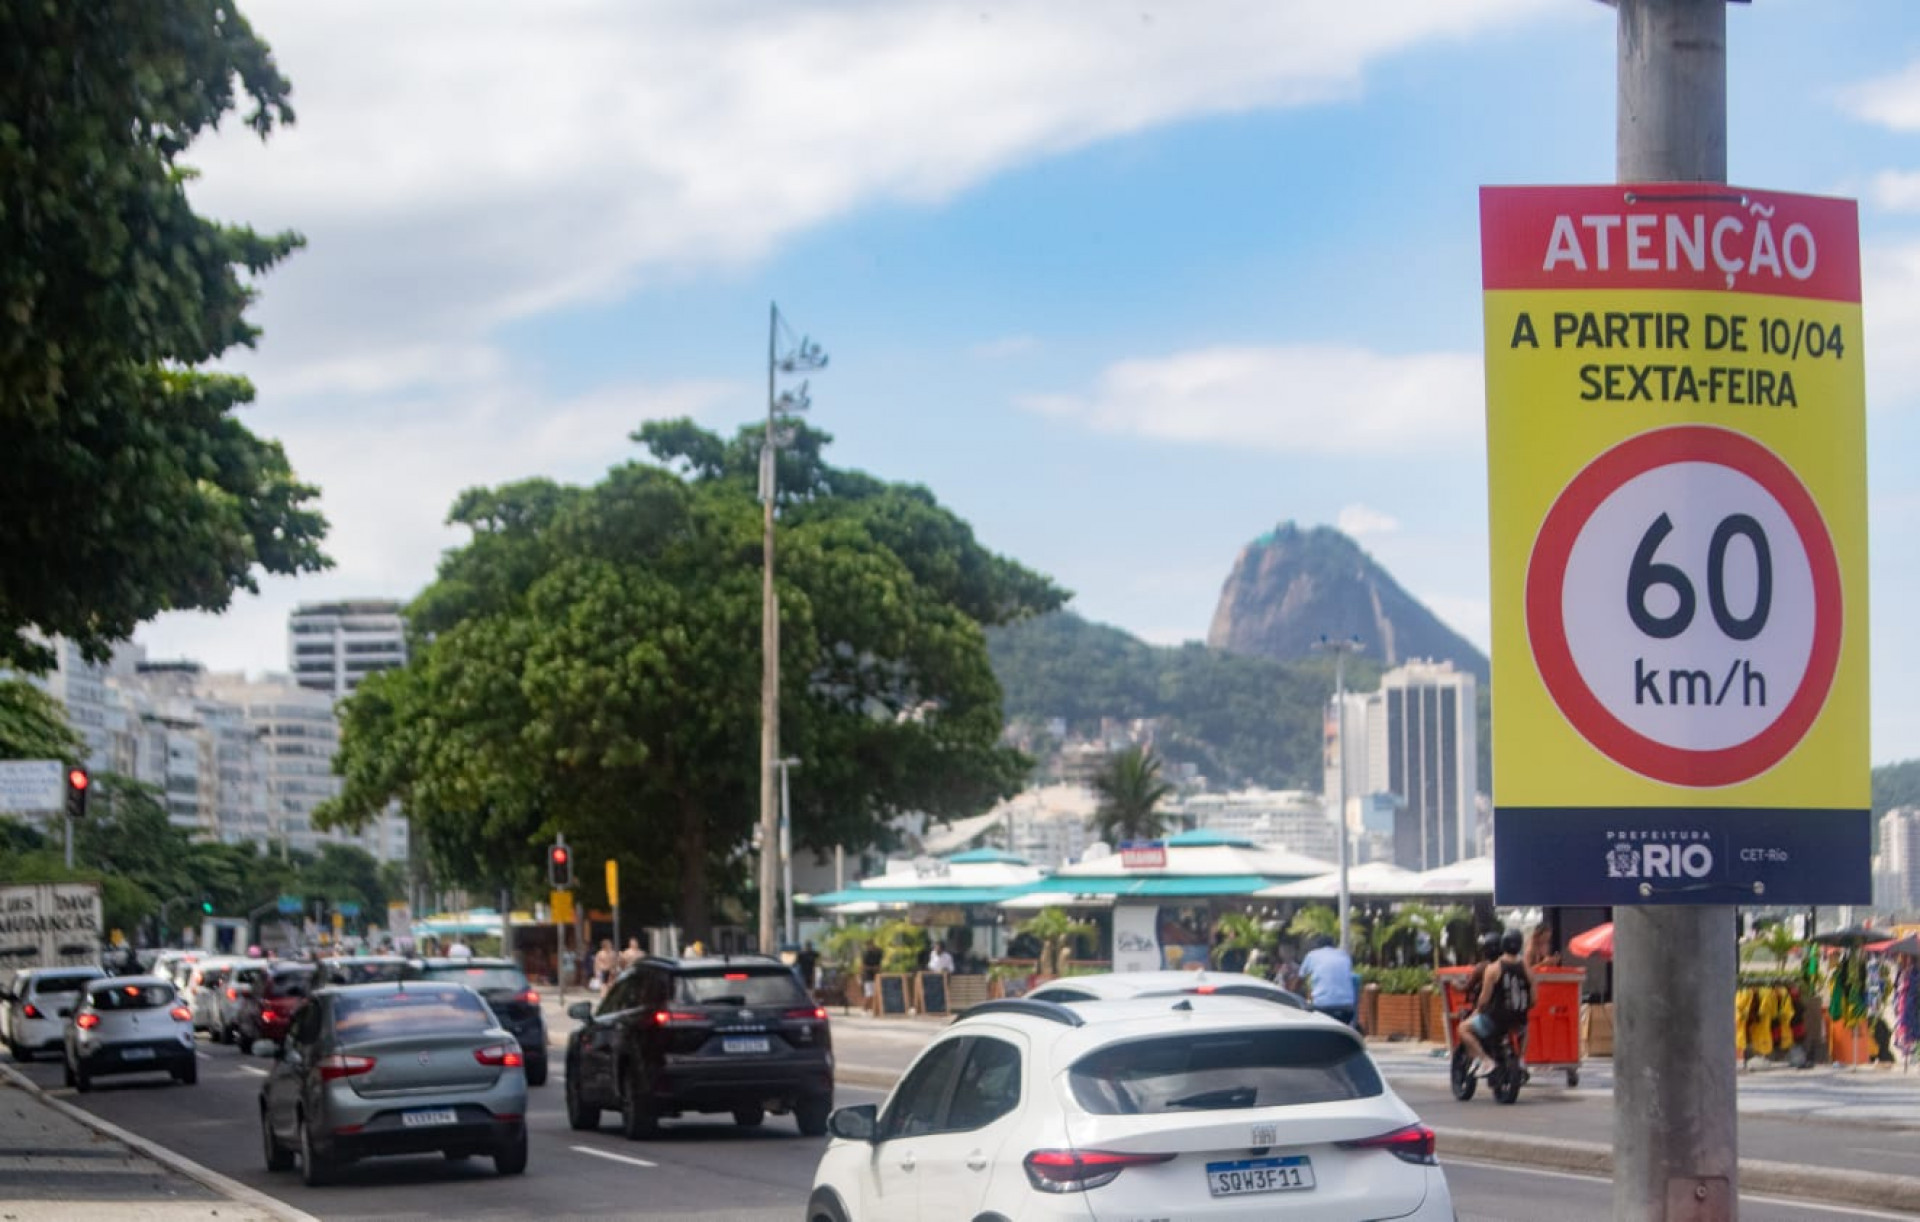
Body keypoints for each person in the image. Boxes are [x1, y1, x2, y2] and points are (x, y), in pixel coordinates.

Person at [1459, 929, 1535, 1074]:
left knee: (1463, 1029)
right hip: (1518, 1021)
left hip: (1495, 1021)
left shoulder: (1493, 969)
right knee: (1526, 1027)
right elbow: (1534, 1000)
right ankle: (1521, 1060)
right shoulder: (1527, 969)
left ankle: (1485, 1061)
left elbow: (1483, 1000)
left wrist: (1478, 1011)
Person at [1299, 934, 1358, 1028]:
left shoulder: (1312, 955)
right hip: (1347, 1008)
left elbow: (1300, 978)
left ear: (1317, 946)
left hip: (1322, 1008)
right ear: (1333, 945)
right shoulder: (1344, 955)